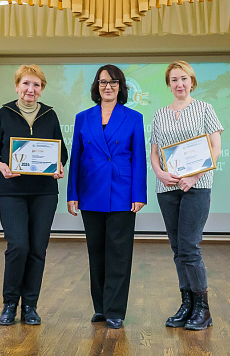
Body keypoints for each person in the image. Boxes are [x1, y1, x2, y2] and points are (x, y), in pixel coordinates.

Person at [0, 65, 68, 326]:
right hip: (12, 193)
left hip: (44, 193)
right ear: (17, 86)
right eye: (26, 84)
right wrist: (1, 165)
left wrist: (59, 165)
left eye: (36, 85)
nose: (31, 90)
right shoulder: (5, 113)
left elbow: (61, 151)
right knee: (18, 246)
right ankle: (10, 303)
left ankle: (30, 305)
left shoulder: (50, 115)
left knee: (37, 249)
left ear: (41, 89)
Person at [67, 64, 147, 329]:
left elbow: (139, 158)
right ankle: (100, 308)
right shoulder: (83, 117)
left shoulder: (133, 117)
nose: (108, 87)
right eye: (103, 82)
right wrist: (72, 194)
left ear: (121, 87)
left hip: (123, 192)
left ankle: (115, 310)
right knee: (96, 252)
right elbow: (76, 158)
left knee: (119, 253)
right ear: (96, 86)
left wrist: (139, 194)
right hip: (91, 190)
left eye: (113, 82)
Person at [150, 60, 223, 331]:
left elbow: (215, 148)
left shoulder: (205, 109)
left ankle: (203, 309)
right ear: (168, 85)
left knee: (190, 247)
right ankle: (187, 304)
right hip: (167, 188)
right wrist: (159, 173)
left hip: (197, 185)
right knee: (178, 248)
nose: (179, 84)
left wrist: (194, 176)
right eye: (174, 80)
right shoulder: (160, 114)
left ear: (192, 81)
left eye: (184, 78)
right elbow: (155, 153)